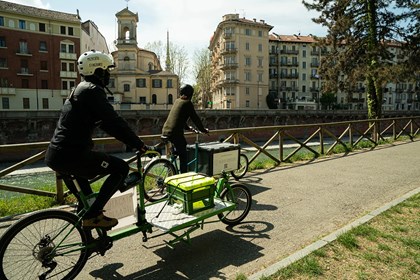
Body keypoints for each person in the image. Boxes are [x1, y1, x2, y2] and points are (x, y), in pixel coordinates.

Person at [45, 50, 150, 229]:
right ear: (98, 71)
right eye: (107, 70)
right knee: (121, 168)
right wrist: (138, 144)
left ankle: (87, 237)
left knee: (88, 202)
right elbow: (114, 122)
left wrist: (130, 140)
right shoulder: (92, 90)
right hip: (73, 155)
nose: (109, 74)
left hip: (57, 155)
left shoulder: (80, 89)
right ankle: (94, 216)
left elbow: (105, 124)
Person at [162, 84, 208, 173]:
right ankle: (183, 177)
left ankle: (171, 168)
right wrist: (203, 130)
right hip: (175, 133)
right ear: (190, 95)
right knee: (184, 156)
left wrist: (187, 128)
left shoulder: (177, 101)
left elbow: (179, 118)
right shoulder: (188, 103)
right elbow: (195, 119)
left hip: (165, 131)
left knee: (179, 150)